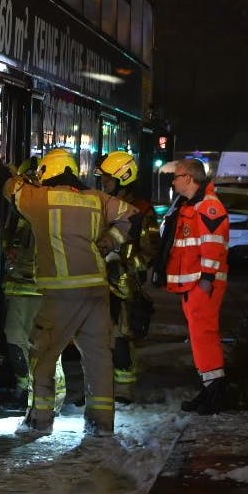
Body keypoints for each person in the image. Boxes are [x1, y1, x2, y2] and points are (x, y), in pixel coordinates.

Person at [4, 147, 137, 438]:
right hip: (97, 291)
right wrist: (106, 244)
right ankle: (101, 424)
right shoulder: (96, 199)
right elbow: (131, 217)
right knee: (99, 359)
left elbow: (10, 189)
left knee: (42, 354)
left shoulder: (39, 199)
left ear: (48, 171)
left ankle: (39, 420)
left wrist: (21, 176)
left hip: (63, 293)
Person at [153, 157, 232, 414]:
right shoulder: (190, 205)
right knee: (200, 338)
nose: (173, 180)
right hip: (194, 285)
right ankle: (210, 389)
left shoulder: (208, 206)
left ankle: (216, 393)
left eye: (176, 176)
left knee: (204, 336)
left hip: (202, 284)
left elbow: (213, 244)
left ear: (188, 178)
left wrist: (207, 279)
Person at [94, 150, 156, 402]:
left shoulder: (141, 211)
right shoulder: (100, 203)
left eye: (108, 179)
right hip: (96, 280)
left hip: (122, 285)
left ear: (123, 178)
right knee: (95, 338)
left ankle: (123, 389)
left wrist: (126, 263)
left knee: (120, 338)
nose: (104, 183)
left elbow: (151, 251)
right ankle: (98, 389)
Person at [0, 157, 49, 413]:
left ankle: (26, 392)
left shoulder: (36, 206)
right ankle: (29, 392)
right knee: (23, 339)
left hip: (30, 286)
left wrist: (7, 177)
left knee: (19, 338)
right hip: (24, 285)